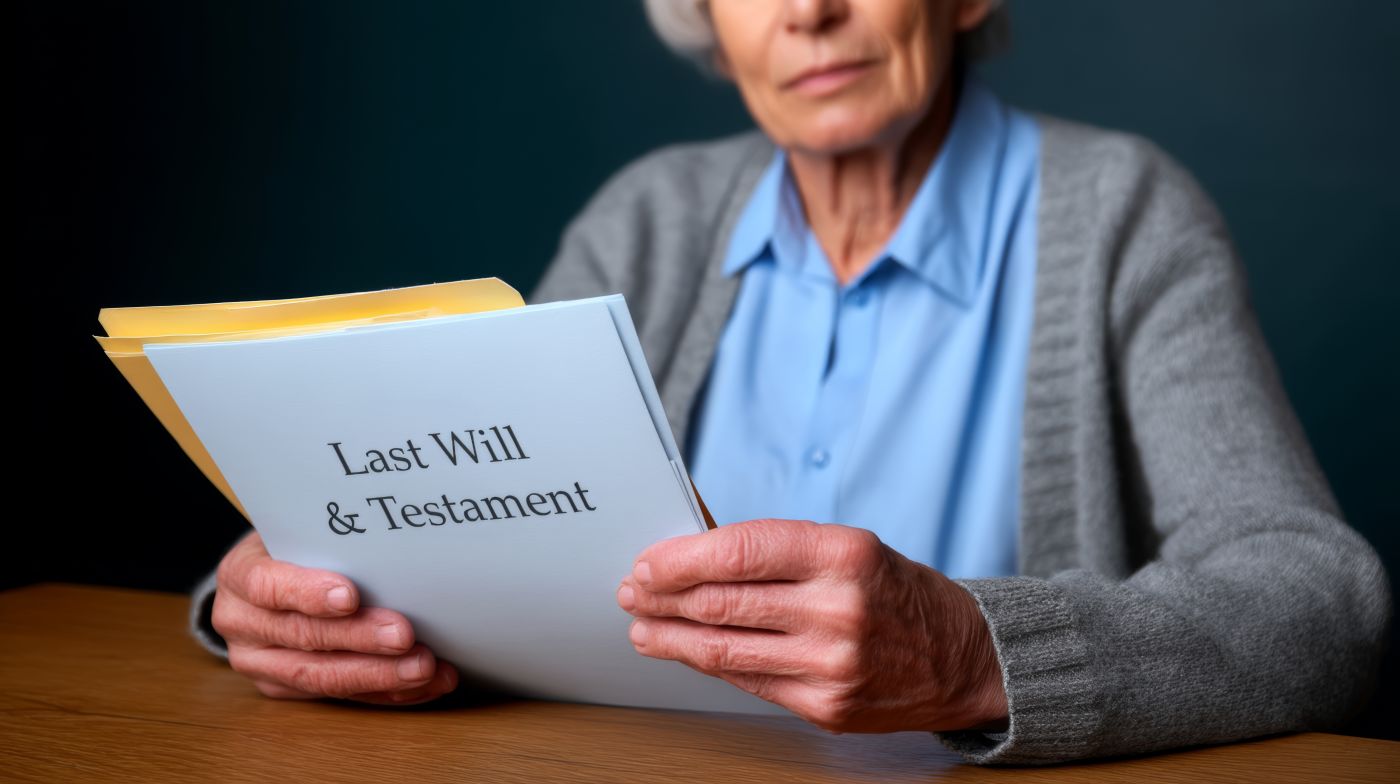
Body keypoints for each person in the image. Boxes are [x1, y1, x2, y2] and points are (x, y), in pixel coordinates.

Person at [187, 0, 1391, 765]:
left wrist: (975, 652)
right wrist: (278, 594)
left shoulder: (1122, 208)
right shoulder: (646, 218)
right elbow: (455, 519)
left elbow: (1314, 595)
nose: (808, 12)